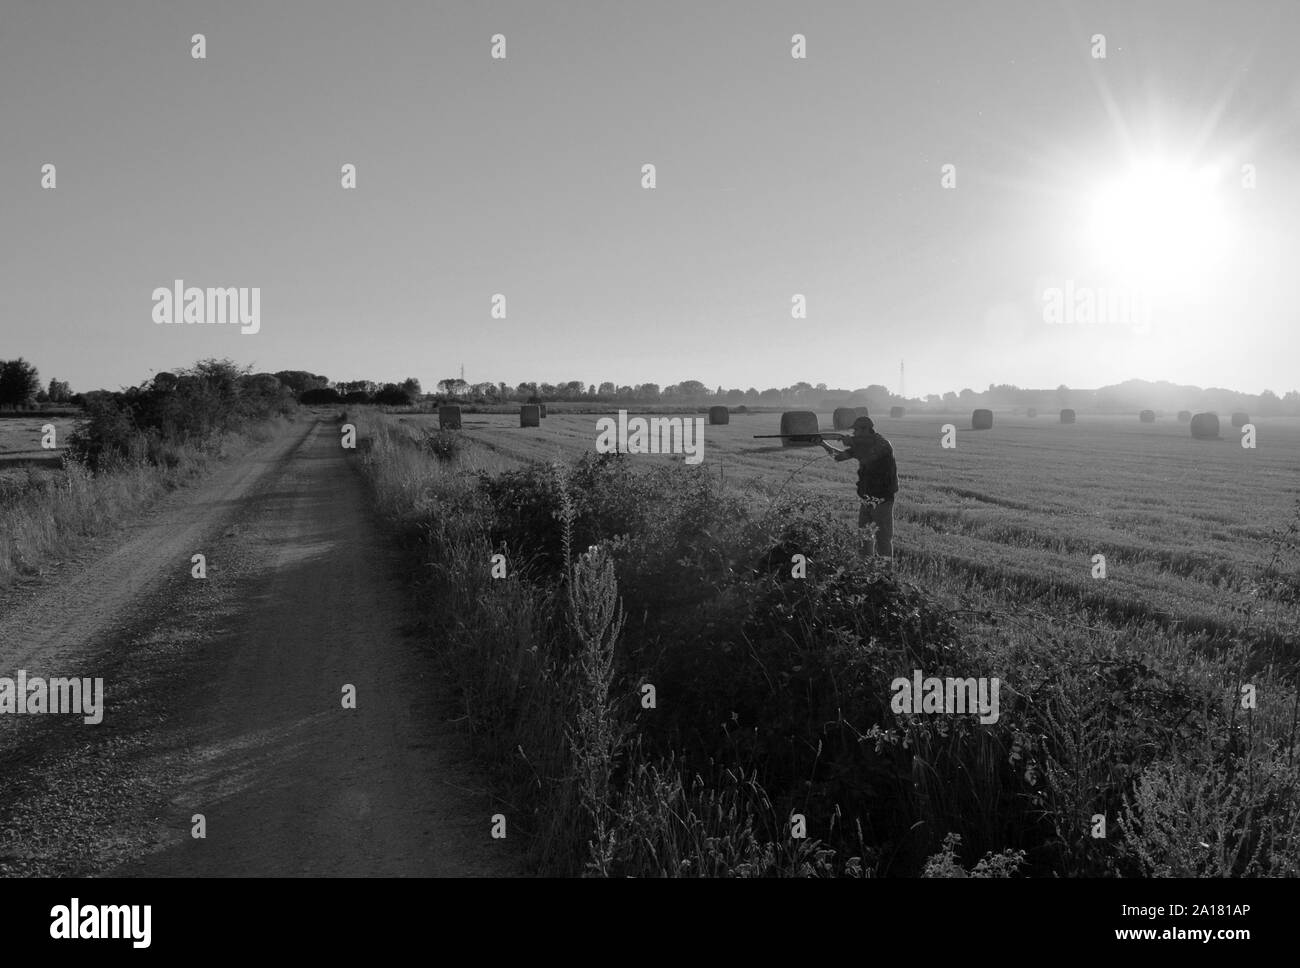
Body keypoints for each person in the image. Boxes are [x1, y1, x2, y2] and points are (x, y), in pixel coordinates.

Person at [820, 416, 898, 557]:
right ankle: (865, 574)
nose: (854, 433)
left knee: (883, 542)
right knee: (863, 540)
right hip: (866, 499)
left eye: (856, 430)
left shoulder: (883, 445)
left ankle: (886, 577)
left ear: (866, 430)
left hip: (882, 501)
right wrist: (822, 444)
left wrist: (853, 443)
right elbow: (839, 457)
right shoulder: (862, 446)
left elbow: (868, 458)